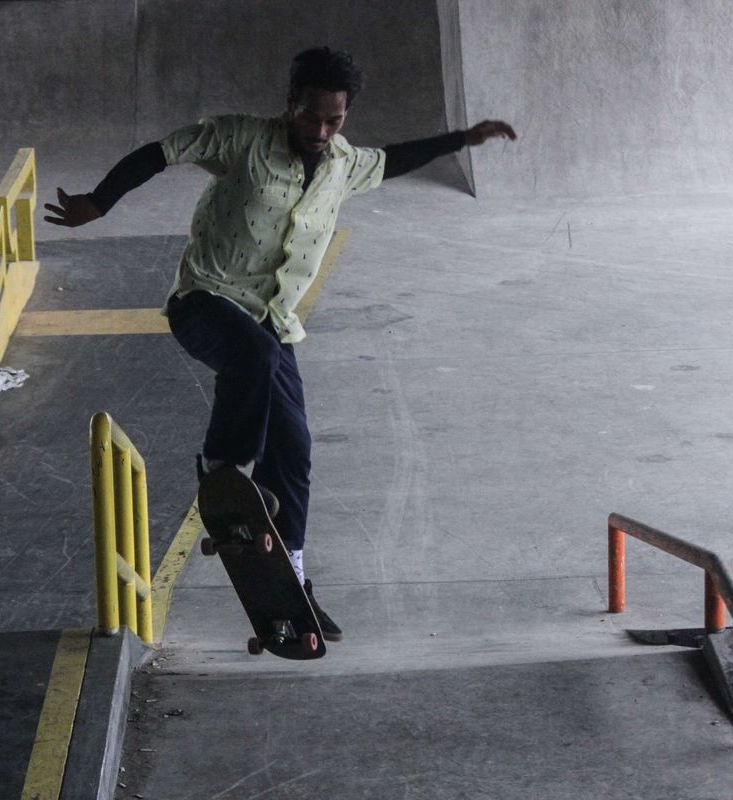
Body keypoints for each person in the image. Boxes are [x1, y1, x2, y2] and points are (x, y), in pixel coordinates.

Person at [45, 46, 516, 642]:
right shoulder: (240, 139)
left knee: (294, 451)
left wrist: (462, 139)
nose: (320, 131)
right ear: (289, 103)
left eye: (334, 121)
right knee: (256, 358)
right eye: (311, 116)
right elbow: (163, 152)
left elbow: (394, 160)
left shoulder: (345, 163)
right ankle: (224, 473)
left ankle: (293, 578)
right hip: (205, 302)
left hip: (270, 321)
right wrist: (99, 200)